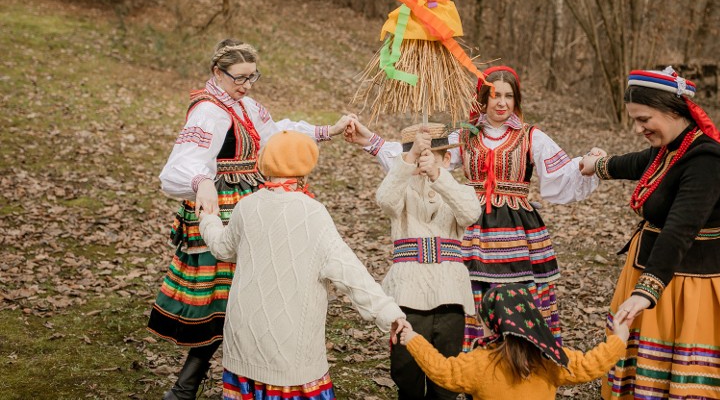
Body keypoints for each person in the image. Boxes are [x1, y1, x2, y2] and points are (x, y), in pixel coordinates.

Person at [148, 39, 352, 400]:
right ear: (217, 73)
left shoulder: (245, 106)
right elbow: (179, 166)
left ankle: (218, 381)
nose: (245, 85)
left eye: (252, 77)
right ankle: (187, 386)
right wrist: (200, 183)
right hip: (221, 209)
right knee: (227, 296)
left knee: (246, 292)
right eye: (238, 77)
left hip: (250, 200)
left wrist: (326, 131)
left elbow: (277, 136)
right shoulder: (208, 112)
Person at [346, 65, 602, 351]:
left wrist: (587, 164)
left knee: (516, 295)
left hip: (517, 230)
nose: (502, 102)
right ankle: (472, 364)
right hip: (469, 222)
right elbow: (418, 155)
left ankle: (521, 357)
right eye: (495, 96)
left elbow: (561, 174)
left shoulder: (532, 136)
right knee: (469, 291)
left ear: (516, 100)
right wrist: (371, 141)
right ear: (483, 99)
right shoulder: (465, 136)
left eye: (508, 96)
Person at [578, 67, 720, 399]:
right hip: (655, 268)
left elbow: (679, 229)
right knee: (647, 367)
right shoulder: (671, 146)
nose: (638, 128)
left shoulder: (707, 159)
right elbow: (640, 162)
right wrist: (598, 165)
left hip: (689, 285)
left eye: (643, 119)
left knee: (686, 373)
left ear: (672, 110)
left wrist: (645, 292)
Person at [197, 130, 406, 400]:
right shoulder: (312, 213)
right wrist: (389, 312)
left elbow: (223, 248)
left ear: (265, 164)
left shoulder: (246, 207)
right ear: (306, 167)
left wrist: (209, 220)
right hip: (290, 349)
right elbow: (349, 272)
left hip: (243, 340)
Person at [376, 123, 482, 400]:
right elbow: (385, 200)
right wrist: (409, 159)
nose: (425, 159)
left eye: (434, 155)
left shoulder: (459, 191)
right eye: (419, 154)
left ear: (447, 159)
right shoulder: (401, 190)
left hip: (449, 293)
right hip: (409, 293)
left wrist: (437, 176)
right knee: (406, 369)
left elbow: (471, 213)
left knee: (446, 373)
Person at [394, 283, 628, 399]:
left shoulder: (480, 363)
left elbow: (442, 371)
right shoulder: (550, 359)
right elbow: (591, 365)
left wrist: (414, 339)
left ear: (493, 324)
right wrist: (618, 340)